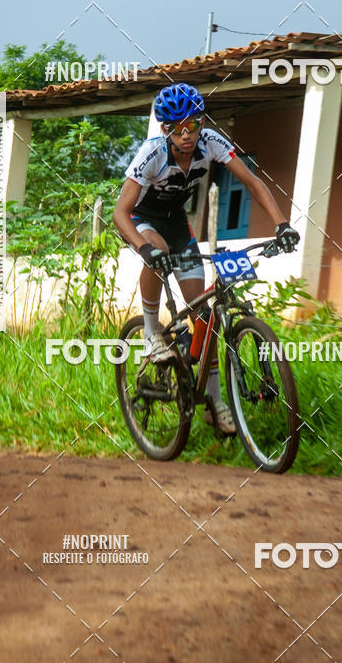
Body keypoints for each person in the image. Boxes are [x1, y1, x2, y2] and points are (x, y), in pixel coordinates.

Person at [113, 83, 299, 435]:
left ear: (201, 122)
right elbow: (120, 212)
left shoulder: (211, 142)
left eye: (193, 125)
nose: (187, 135)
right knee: (158, 253)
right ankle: (151, 333)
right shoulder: (151, 154)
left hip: (177, 224)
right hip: (141, 220)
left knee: (204, 316)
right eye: (177, 128)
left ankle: (216, 402)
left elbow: (251, 181)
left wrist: (282, 224)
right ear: (165, 129)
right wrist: (143, 247)